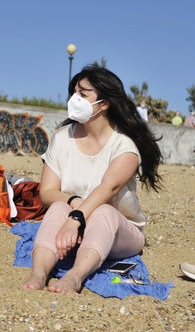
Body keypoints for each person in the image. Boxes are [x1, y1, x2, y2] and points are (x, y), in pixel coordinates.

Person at [21, 64, 162, 294]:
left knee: (104, 212)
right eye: (75, 93)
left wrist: (76, 218)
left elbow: (106, 190)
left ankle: (75, 277)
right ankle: (38, 274)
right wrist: (74, 204)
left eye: (83, 94)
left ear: (104, 104)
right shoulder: (61, 138)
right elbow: (46, 192)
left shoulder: (124, 147)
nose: (75, 98)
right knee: (57, 206)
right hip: (74, 223)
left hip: (119, 230)